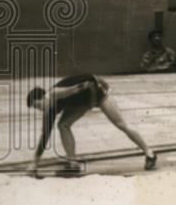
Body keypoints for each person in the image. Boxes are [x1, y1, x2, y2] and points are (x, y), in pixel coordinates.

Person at [26, 74, 157, 173]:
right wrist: (35, 163)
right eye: (36, 108)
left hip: (97, 95)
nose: (39, 109)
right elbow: (45, 135)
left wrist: (97, 83)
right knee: (63, 125)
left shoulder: (54, 93)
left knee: (121, 125)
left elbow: (75, 89)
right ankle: (73, 163)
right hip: (84, 102)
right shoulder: (49, 110)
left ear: (44, 96)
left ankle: (149, 153)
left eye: (38, 105)